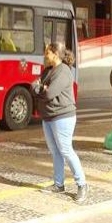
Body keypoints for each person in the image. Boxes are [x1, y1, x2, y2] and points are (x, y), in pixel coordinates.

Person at [35, 43, 88, 202]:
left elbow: (49, 92)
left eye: (48, 53)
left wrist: (41, 88)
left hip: (62, 116)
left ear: (55, 54)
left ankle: (82, 184)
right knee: (55, 151)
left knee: (65, 150)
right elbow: (38, 86)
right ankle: (58, 184)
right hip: (49, 117)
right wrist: (40, 87)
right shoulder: (49, 70)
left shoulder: (63, 71)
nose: (45, 56)